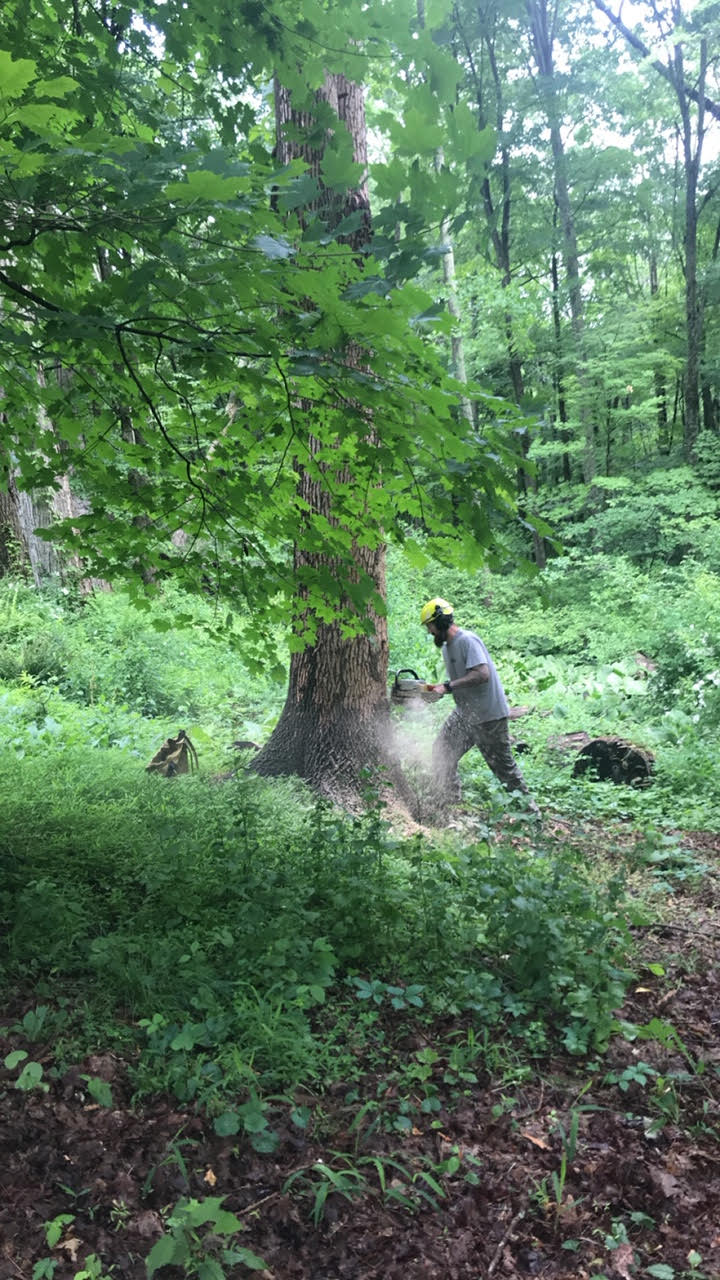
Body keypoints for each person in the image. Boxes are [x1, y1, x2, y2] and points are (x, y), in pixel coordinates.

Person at [420, 597, 540, 818]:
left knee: (504, 770)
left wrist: (447, 687)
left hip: (488, 716)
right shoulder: (447, 648)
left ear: (441, 621)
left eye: (430, 626)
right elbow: (459, 681)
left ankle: (531, 816)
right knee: (441, 752)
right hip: (465, 714)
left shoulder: (468, 640)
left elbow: (481, 674)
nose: (429, 632)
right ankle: (449, 802)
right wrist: (438, 690)